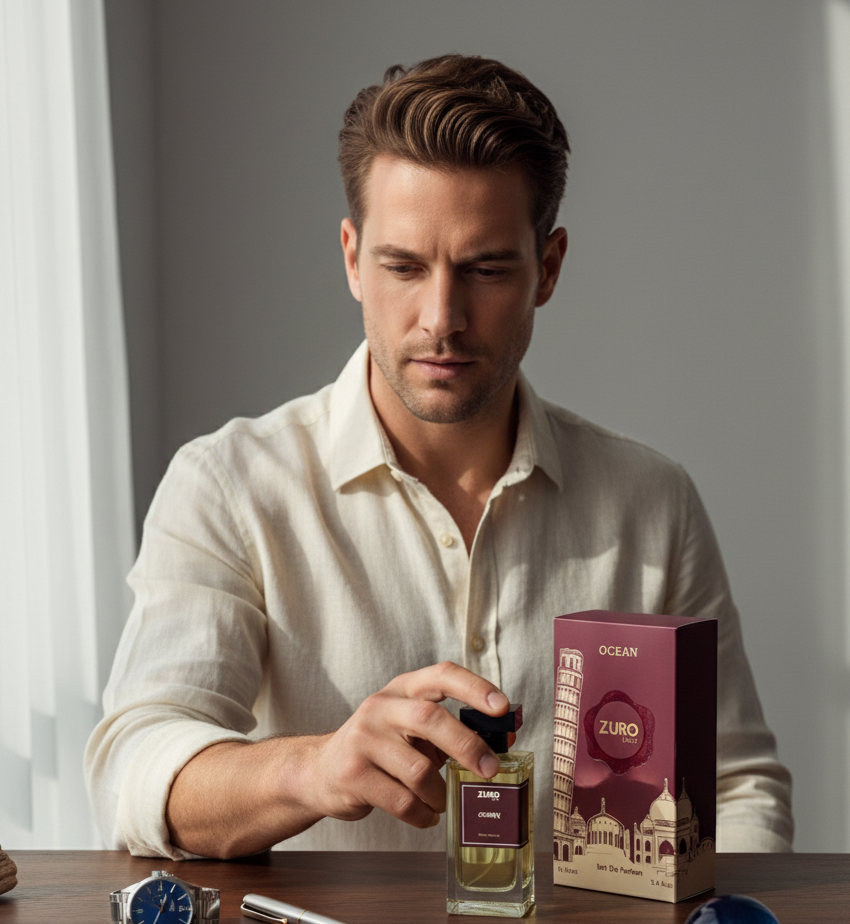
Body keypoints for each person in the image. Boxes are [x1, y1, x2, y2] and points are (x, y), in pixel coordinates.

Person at [85, 54, 793, 860]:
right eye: (403, 266)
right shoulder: (230, 487)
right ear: (352, 259)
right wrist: (313, 769)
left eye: (485, 269)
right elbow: (133, 772)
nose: (441, 317)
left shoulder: (653, 503)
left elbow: (735, 788)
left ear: (547, 268)